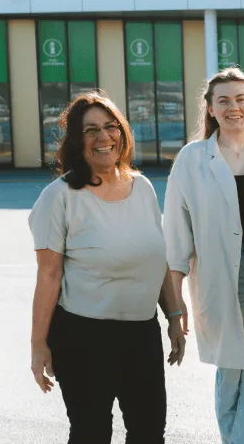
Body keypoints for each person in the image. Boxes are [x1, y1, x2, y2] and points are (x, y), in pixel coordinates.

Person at [28, 92, 185, 443]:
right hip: (83, 338)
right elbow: (49, 274)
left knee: (148, 433)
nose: (104, 138)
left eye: (111, 127)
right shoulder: (59, 197)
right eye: (91, 130)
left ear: (122, 133)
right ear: (75, 140)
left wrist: (173, 315)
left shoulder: (142, 188)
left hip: (141, 335)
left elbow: (156, 258)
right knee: (91, 433)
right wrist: (38, 344)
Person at [163, 67, 244, 444]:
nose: (233, 107)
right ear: (211, 109)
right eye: (224, 101)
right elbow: (176, 235)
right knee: (231, 371)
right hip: (222, 276)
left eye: (241, 99)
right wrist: (176, 301)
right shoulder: (192, 159)